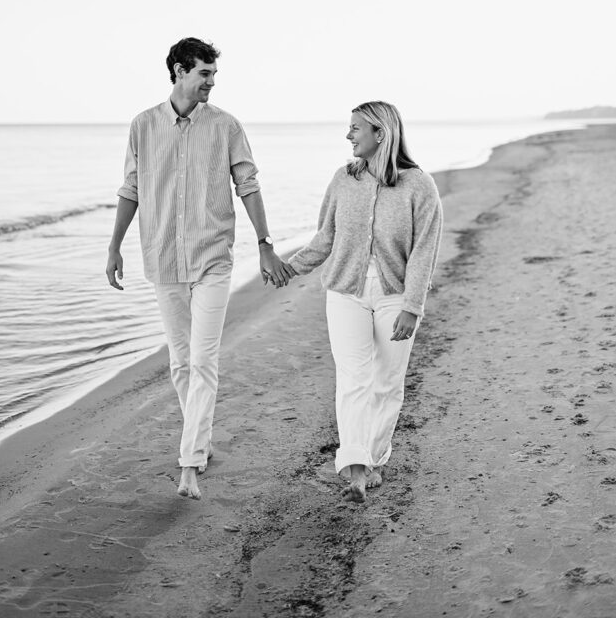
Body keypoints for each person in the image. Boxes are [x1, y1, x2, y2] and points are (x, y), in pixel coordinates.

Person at [106, 37, 291, 500]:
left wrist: (265, 244)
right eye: (204, 73)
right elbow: (131, 189)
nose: (210, 82)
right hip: (163, 256)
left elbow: (247, 184)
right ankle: (201, 442)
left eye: (213, 74)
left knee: (203, 360)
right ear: (178, 71)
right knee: (180, 363)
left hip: (213, 258)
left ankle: (189, 464)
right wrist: (114, 247)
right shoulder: (143, 126)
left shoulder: (226, 126)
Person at [284, 101, 443, 503]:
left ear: (381, 134)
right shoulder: (343, 179)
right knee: (354, 378)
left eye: (356, 128)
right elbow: (325, 237)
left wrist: (413, 305)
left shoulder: (418, 185)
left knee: (387, 383)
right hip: (346, 293)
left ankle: (373, 458)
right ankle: (354, 467)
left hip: (395, 296)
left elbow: (425, 250)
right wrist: (291, 268)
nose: (349, 135)